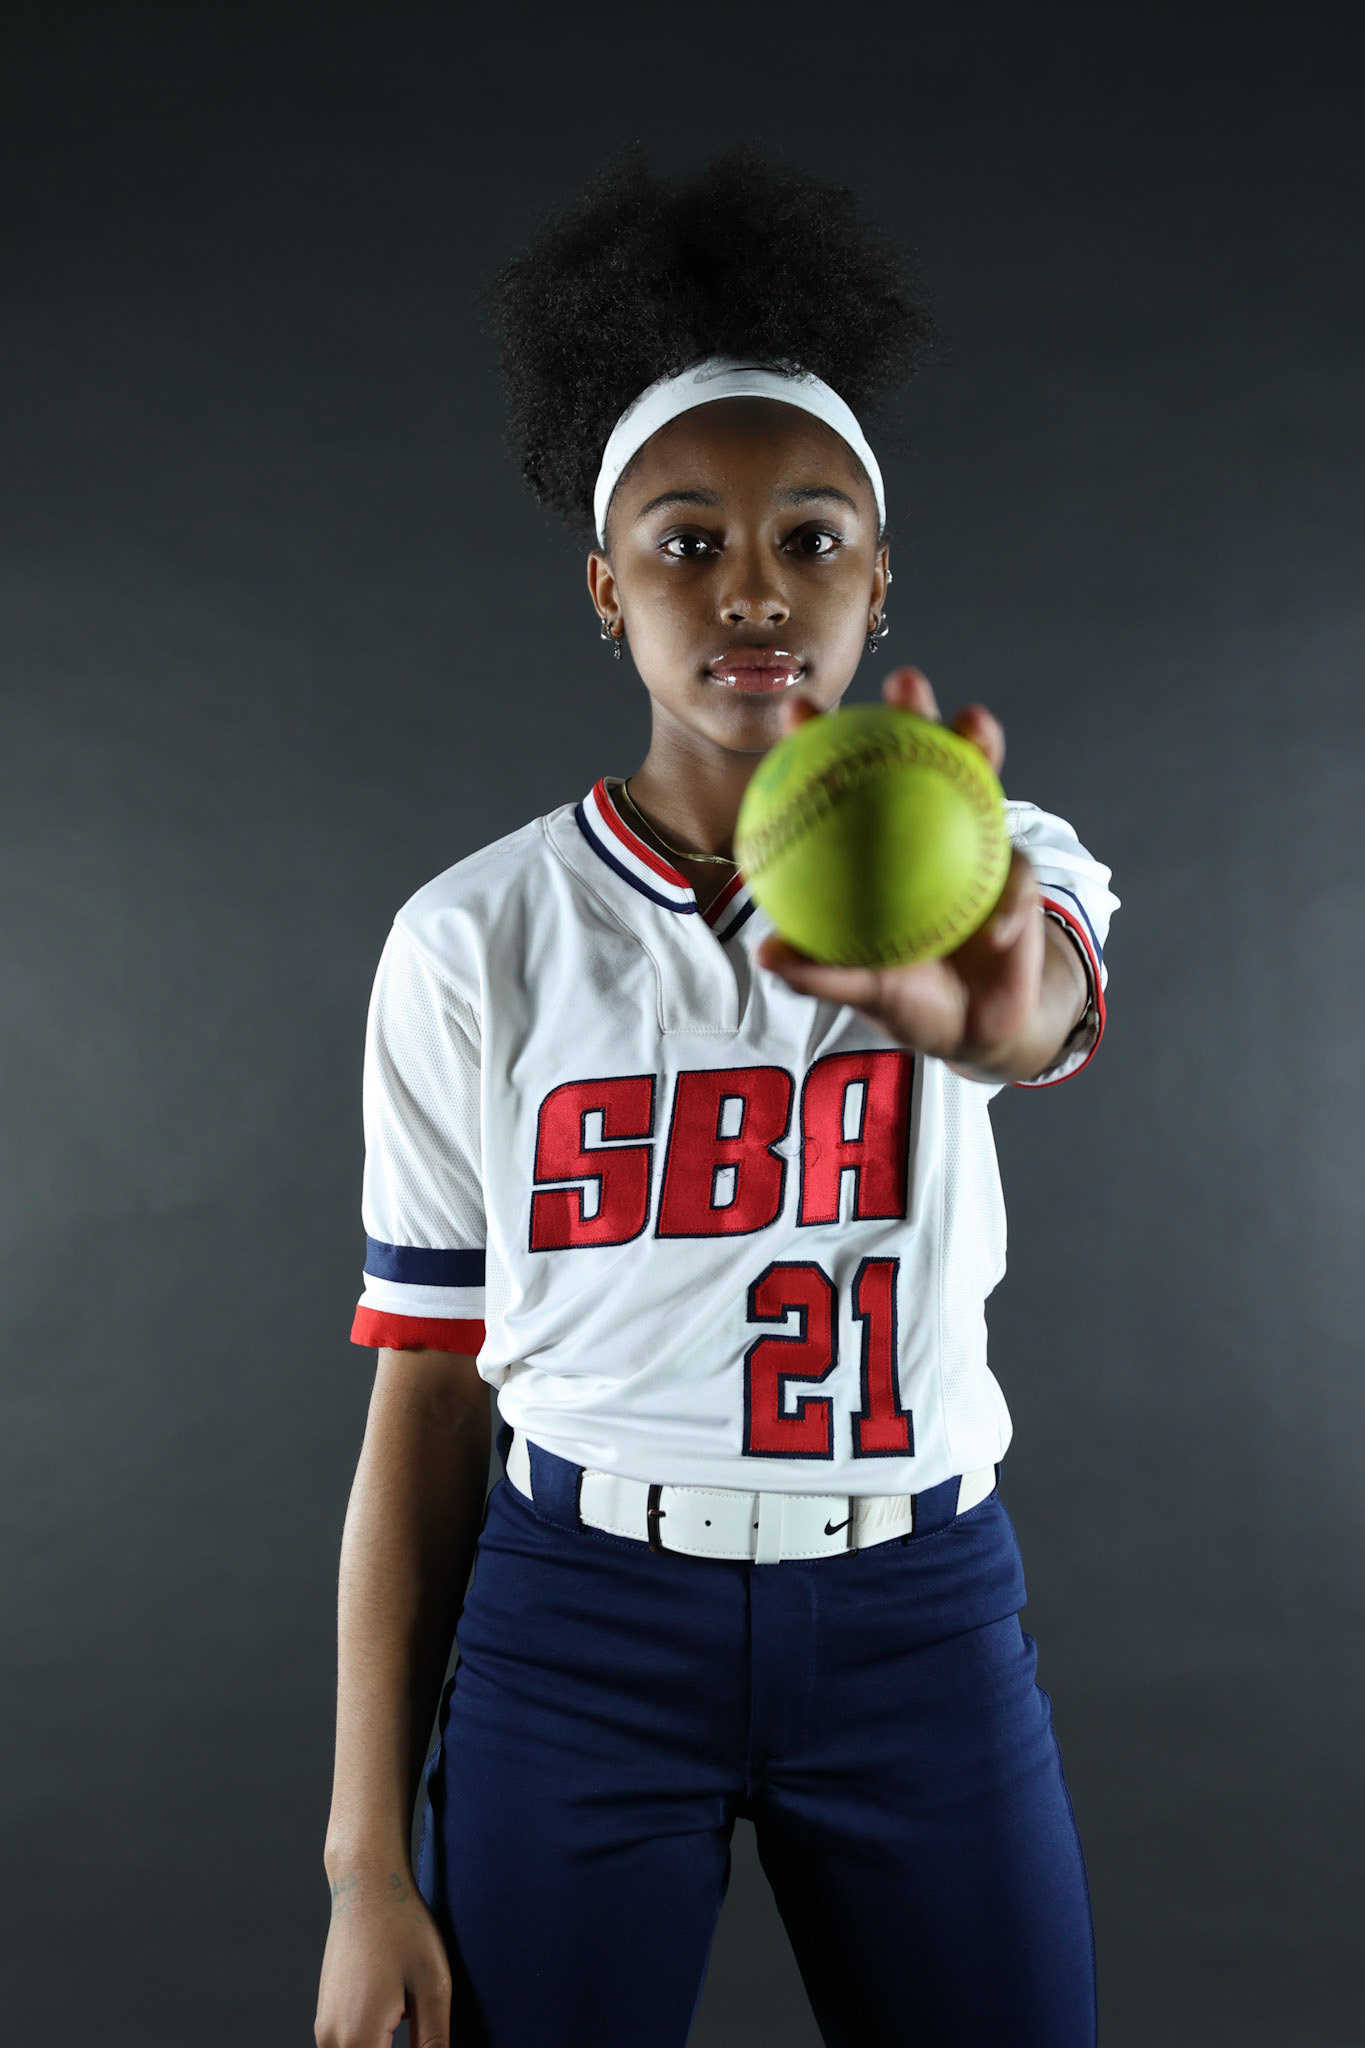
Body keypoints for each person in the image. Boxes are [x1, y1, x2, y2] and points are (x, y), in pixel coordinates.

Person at [314, 149, 1120, 2048]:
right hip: (580, 1620)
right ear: (605, 587)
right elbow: (423, 1391)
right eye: (688, 541)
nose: (753, 589)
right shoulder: (471, 939)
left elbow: (1031, 1013)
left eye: (811, 537)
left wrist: (974, 993)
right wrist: (366, 1867)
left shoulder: (993, 853)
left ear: (878, 574)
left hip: (917, 1610)